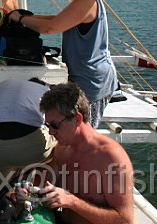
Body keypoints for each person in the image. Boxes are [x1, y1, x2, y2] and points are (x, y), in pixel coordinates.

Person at [8, 0, 117, 127]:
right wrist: (28, 16)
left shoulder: (86, 2)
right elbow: (56, 19)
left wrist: (20, 20)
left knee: (82, 134)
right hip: (87, 77)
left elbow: (50, 28)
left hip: (92, 80)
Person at [38, 82, 134, 224]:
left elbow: (125, 220)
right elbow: (44, 186)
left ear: (77, 119)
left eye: (55, 125)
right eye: (47, 125)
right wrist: (31, 194)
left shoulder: (111, 158)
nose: (51, 132)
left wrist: (71, 201)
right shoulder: (61, 150)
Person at [0, 78, 56, 192]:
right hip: (27, 148)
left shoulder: (5, 84)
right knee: (59, 140)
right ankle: (44, 192)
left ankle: (5, 199)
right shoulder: (46, 91)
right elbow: (54, 123)